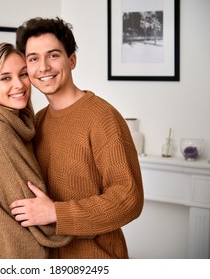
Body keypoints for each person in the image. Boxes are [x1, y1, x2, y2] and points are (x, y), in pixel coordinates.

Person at [9, 17, 144, 259]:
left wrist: (57, 214)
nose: (43, 67)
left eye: (53, 55)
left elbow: (129, 199)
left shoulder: (103, 118)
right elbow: (27, 185)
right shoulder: (36, 123)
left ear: (71, 60)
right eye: (33, 59)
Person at [0, 43, 72, 259]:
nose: (19, 85)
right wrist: (87, 223)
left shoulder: (22, 125)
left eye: (23, 74)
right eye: (5, 78)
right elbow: (33, 212)